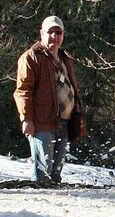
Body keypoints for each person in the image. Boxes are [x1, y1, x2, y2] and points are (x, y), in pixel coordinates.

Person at [13, 15, 86, 184]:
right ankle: (38, 208)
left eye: (58, 32)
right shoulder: (31, 57)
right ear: (41, 33)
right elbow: (23, 91)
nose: (54, 36)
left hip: (65, 122)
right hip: (42, 122)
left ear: (63, 34)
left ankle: (55, 206)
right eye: (50, 32)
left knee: (56, 174)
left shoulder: (64, 58)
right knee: (43, 173)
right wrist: (26, 119)